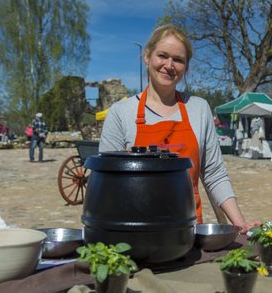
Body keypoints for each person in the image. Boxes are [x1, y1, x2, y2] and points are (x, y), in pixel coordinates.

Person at [99, 24, 259, 233]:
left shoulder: (199, 108)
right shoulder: (121, 112)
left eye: (178, 60)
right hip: (136, 232)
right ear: (147, 57)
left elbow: (213, 173)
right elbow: (105, 180)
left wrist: (240, 223)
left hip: (189, 231)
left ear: (186, 66)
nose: (169, 65)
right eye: (162, 56)